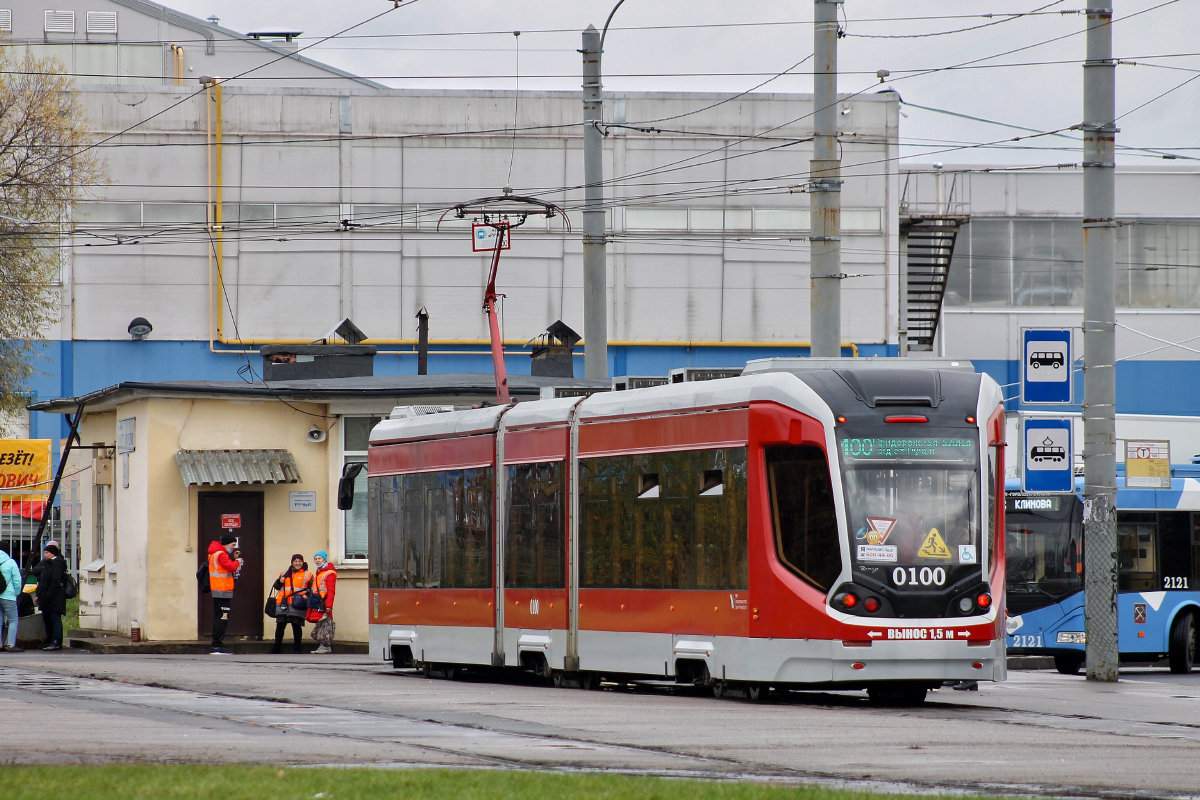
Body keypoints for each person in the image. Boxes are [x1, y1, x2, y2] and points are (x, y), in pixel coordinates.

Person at [207, 534, 244, 655]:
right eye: (233, 545)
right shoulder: (221, 554)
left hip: (219, 590)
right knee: (222, 618)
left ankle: (216, 645)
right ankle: (217, 646)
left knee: (219, 617)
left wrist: (233, 559)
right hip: (222, 590)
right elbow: (231, 568)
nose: (233, 547)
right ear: (227, 543)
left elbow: (225, 568)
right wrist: (237, 561)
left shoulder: (214, 553)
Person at [270, 554, 309, 654]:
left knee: (296, 626)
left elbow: (312, 589)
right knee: (280, 626)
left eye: (299, 561)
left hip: (297, 604)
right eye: (295, 561)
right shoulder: (284, 573)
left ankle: (297, 649)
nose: (297, 563)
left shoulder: (308, 574)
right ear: (292, 562)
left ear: (302, 562)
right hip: (283, 603)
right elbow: (276, 587)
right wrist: (279, 581)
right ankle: (276, 648)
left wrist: (307, 595)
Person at [33, 544, 66, 651]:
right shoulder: (48, 564)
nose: (45, 555)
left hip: (54, 598)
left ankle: (56, 641)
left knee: (55, 619)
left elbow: (55, 581)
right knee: (47, 619)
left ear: (52, 553)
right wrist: (39, 595)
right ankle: (50, 639)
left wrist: (48, 594)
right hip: (45, 597)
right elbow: (42, 580)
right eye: (44, 553)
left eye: (47, 553)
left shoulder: (57, 564)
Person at [308, 550, 337, 654]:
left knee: (325, 624)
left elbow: (331, 591)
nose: (317, 560)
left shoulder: (329, 573)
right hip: (318, 602)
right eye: (315, 559)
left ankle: (325, 646)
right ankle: (323, 645)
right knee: (321, 624)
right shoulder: (320, 572)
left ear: (324, 559)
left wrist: (329, 605)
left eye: (319, 558)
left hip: (323, 603)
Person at [0, 548, 22, 652]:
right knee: (13, 620)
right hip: (8, 595)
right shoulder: (10, 562)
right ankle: (11, 645)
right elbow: (17, 580)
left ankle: (0, 644)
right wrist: (16, 593)